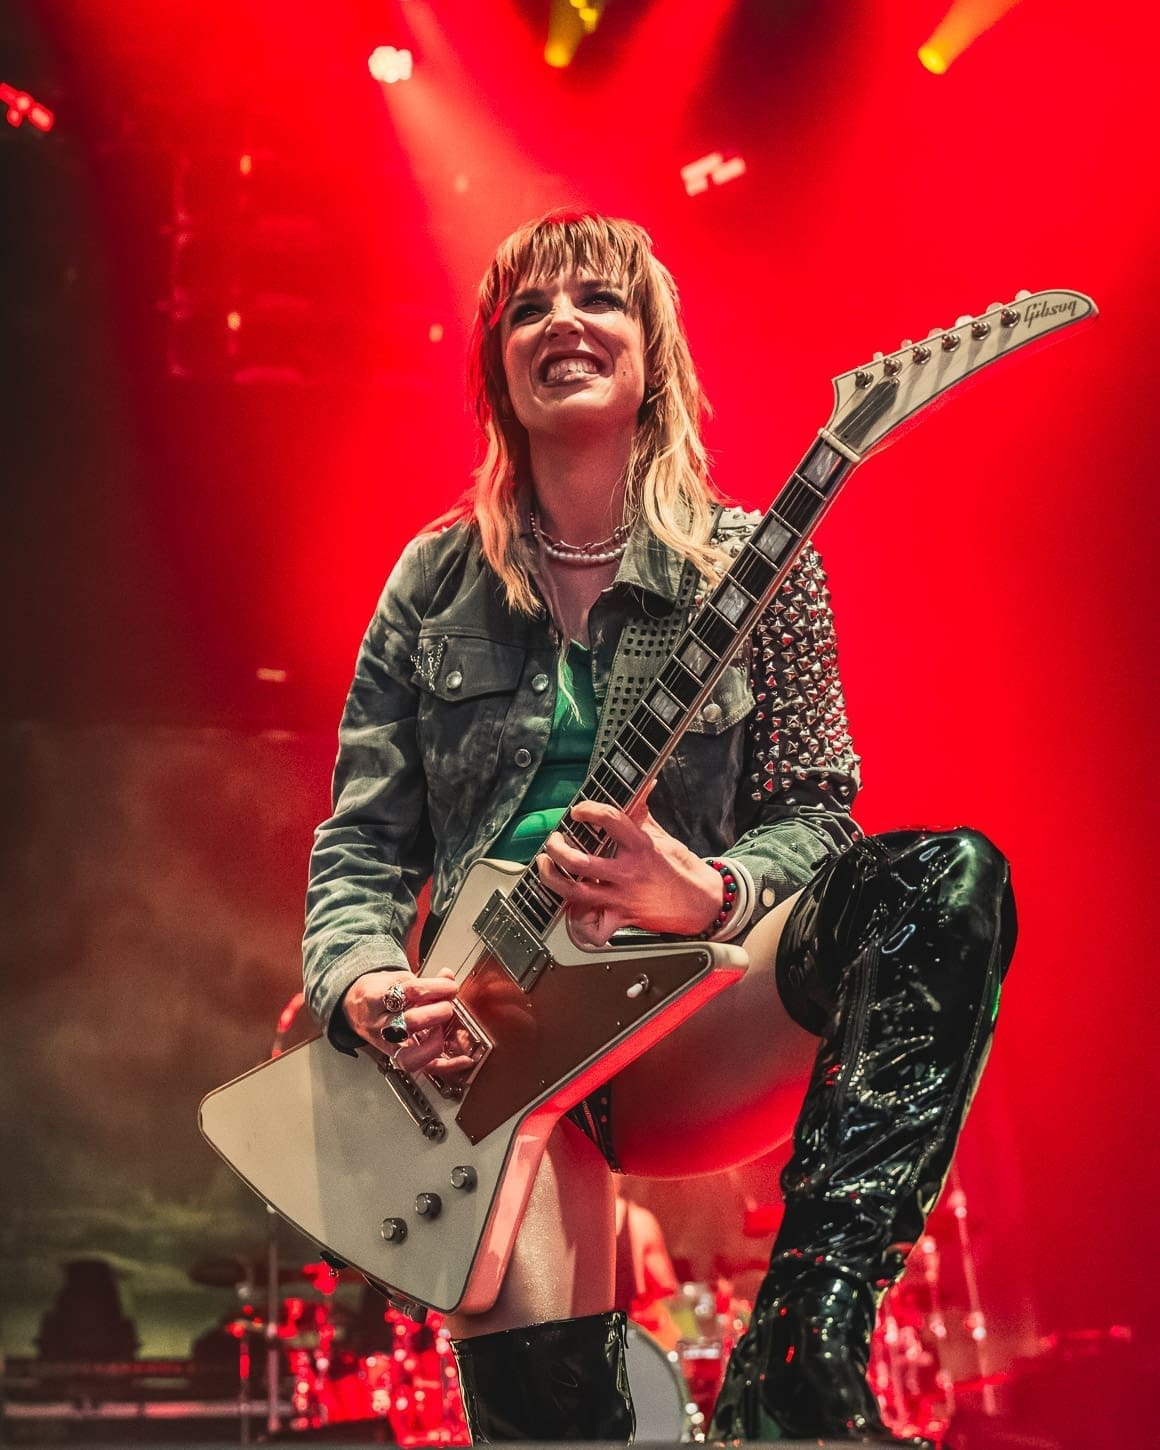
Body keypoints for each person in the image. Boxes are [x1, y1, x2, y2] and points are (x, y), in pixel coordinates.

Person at [303, 210, 1016, 1446]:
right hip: (495, 1036)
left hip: (687, 1005)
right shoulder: (430, 580)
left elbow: (815, 817)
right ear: (497, 370)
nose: (561, 323)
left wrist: (709, 893)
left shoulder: (752, 559)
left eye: (597, 301)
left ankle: (797, 1355)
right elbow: (362, 845)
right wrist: (364, 983)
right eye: (527, 310)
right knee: (550, 1424)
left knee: (941, 881)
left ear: (651, 353)